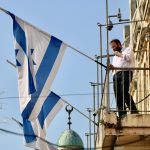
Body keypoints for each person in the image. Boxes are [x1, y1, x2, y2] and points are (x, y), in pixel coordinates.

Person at [109, 39, 138, 118]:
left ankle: (134, 110)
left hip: (125, 72)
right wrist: (112, 67)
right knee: (118, 96)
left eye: (114, 46)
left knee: (124, 92)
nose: (113, 49)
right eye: (112, 48)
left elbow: (128, 59)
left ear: (119, 44)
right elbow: (117, 66)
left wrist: (120, 54)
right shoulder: (114, 57)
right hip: (116, 75)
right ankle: (122, 115)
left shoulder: (127, 50)